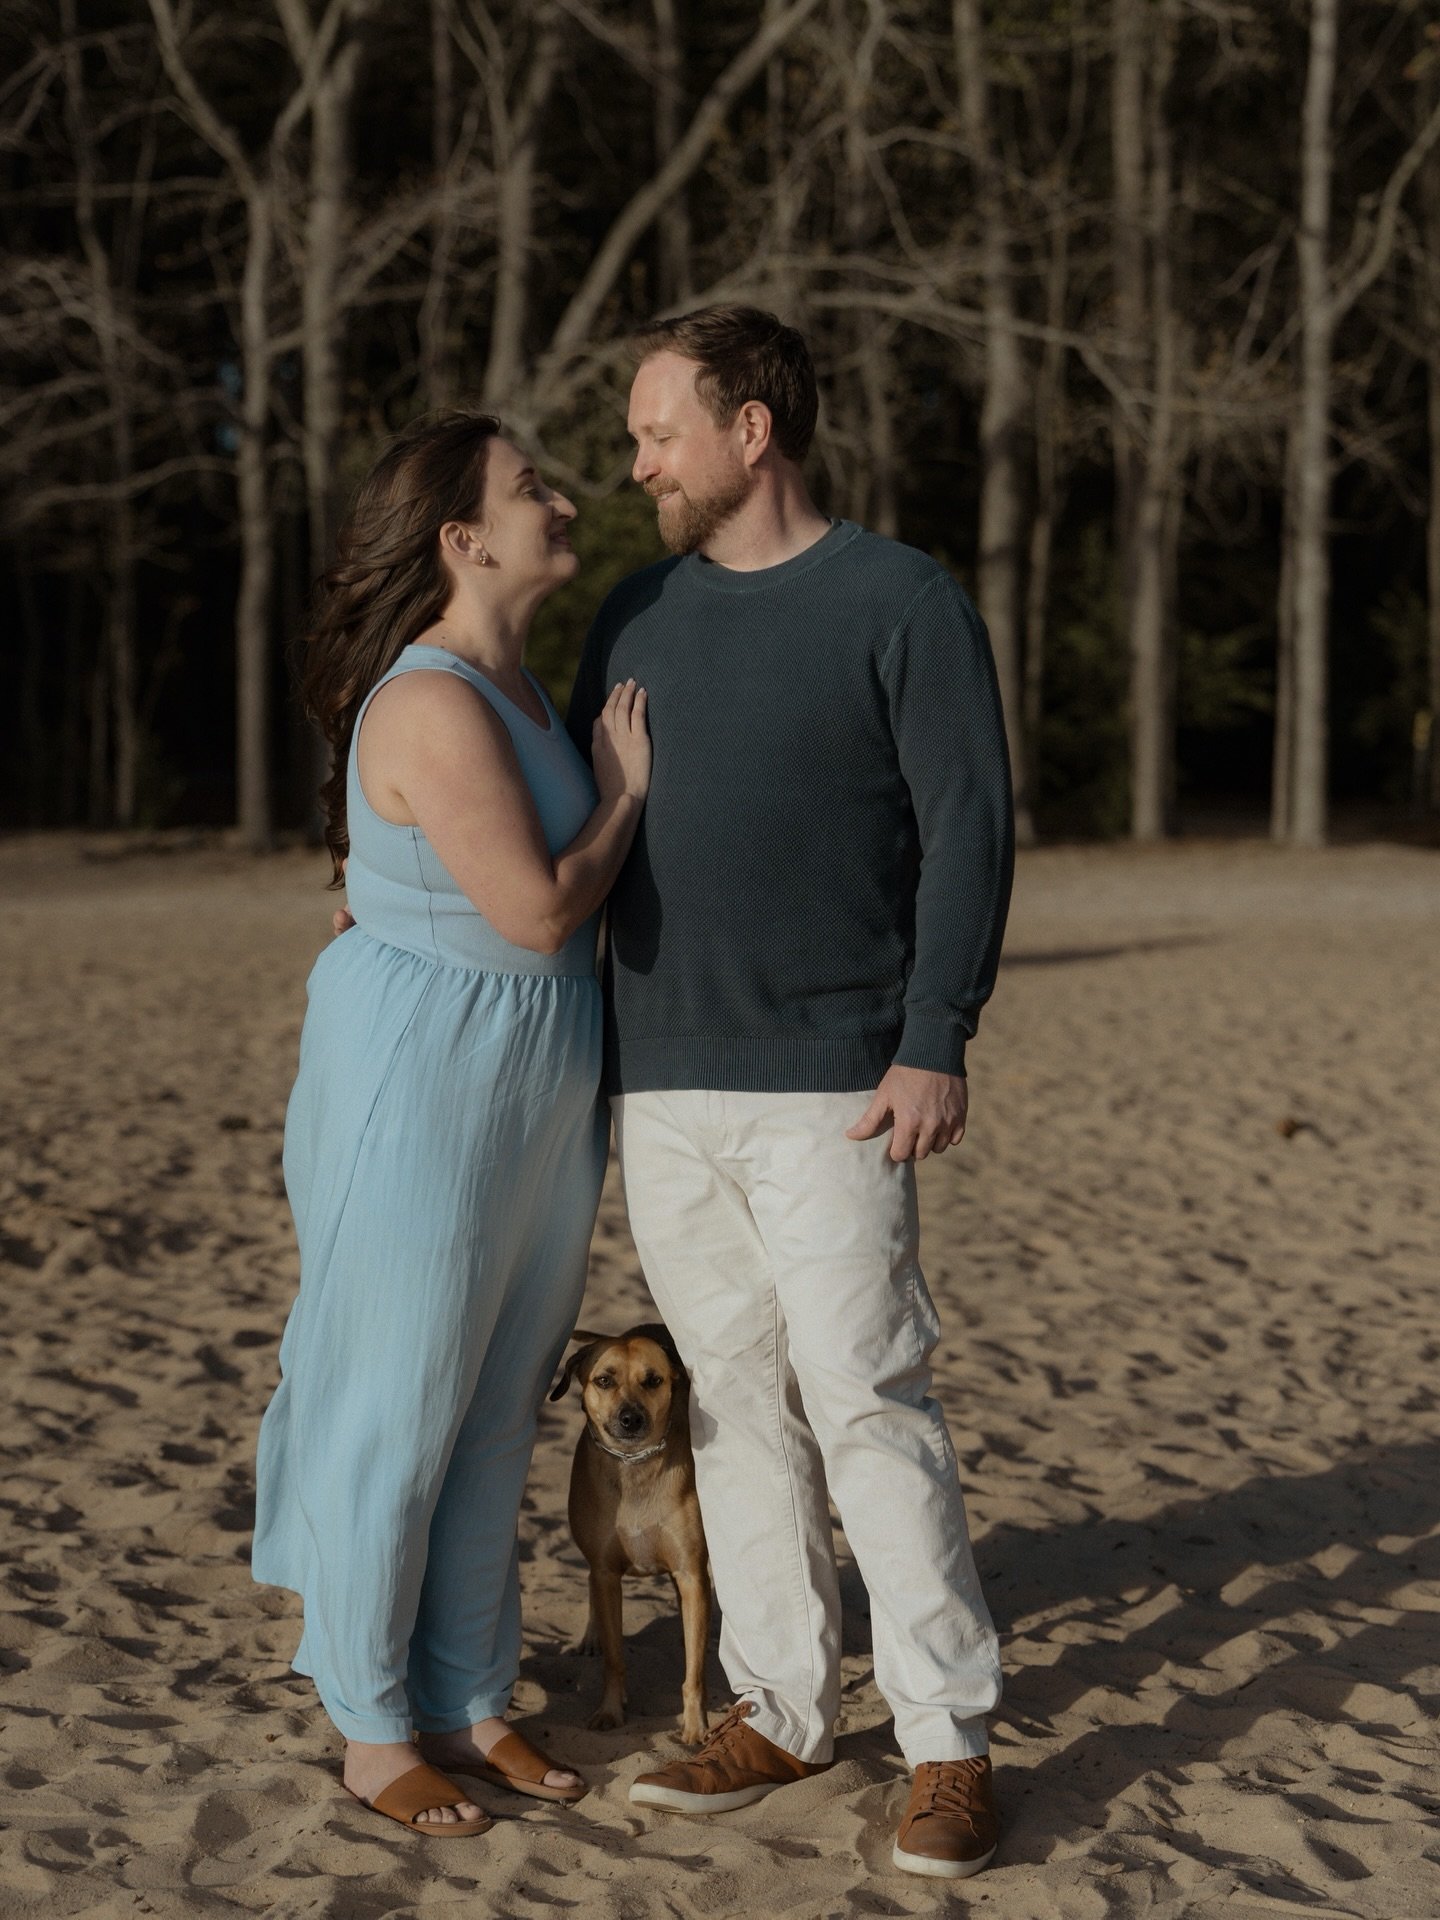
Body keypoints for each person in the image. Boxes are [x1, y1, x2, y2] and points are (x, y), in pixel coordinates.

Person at [565, 307, 1013, 1882]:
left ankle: (948, 1738)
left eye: (658, 433)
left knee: (867, 1398)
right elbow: (569, 825)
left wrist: (935, 1029)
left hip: (839, 1086)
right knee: (735, 1408)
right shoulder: (630, 614)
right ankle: (778, 1704)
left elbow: (968, 823)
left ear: (753, 429)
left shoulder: (900, 600)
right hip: (664, 1090)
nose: (639, 465)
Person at [251, 411, 652, 1838]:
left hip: (539, 1070)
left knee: (497, 1403)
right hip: (423, 1077)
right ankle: (371, 1726)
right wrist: (622, 802)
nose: (563, 498)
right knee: (398, 1403)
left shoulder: (526, 689)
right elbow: (542, 906)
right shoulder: (429, 702)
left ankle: (474, 1697)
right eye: (531, 485)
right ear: (460, 539)